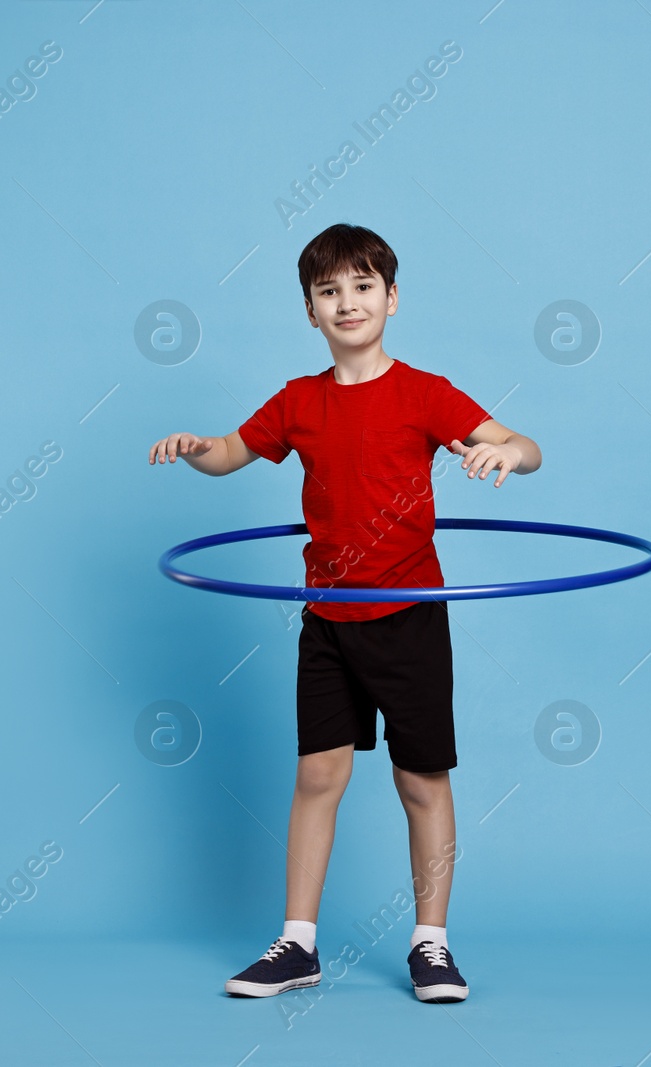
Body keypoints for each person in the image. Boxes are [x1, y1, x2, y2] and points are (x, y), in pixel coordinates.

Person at [147, 222, 542, 1003]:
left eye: (363, 286)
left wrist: (505, 453)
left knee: (421, 780)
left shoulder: (426, 393)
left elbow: (523, 444)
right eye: (329, 291)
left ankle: (431, 943)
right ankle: (297, 945)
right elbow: (231, 452)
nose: (347, 302)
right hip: (327, 620)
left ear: (392, 299)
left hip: (409, 617)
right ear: (310, 311)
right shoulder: (298, 402)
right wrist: (196, 446)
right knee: (317, 775)